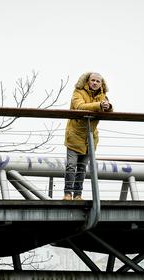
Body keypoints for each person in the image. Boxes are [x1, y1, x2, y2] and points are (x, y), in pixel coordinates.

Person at [63, 72, 113, 200]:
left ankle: (78, 195)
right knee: (71, 165)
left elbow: (109, 110)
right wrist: (99, 105)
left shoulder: (102, 96)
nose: (95, 83)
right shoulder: (78, 92)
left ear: (101, 84)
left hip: (90, 138)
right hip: (75, 135)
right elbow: (79, 107)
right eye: (93, 80)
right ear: (88, 81)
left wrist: (108, 107)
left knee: (82, 167)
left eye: (98, 81)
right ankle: (68, 194)